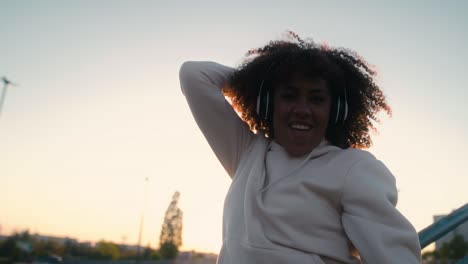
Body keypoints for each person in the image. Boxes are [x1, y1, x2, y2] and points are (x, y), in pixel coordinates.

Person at [179, 32, 421, 263]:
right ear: (268, 102)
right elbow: (194, 75)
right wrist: (256, 85)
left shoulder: (354, 168)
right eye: (289, 96)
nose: (303, 110)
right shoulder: (246, 152)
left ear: (336, 110)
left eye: (317, 99)